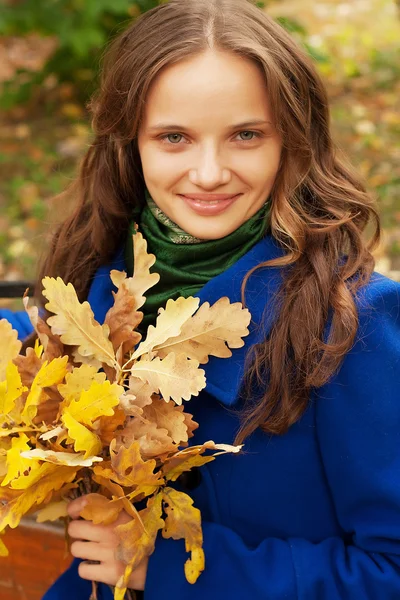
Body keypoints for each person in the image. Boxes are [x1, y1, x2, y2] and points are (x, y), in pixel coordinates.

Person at [2, 0, 400, 598]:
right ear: (129, 143)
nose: (208, 173)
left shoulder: (354, 325)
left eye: (245, 135)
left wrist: (161, 566)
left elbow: (389, 570)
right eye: (174, 137)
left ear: (291, 140)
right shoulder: (103, 278)